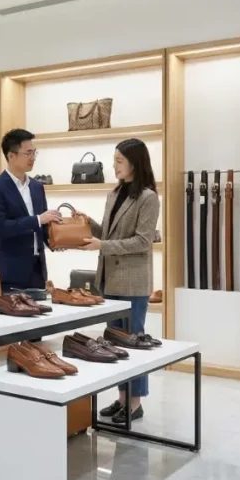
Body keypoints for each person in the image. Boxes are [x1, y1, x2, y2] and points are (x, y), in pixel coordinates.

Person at [77, 138, 160, 423]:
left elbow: (141, 241)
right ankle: (122, 398)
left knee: (133, 343)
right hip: (110, 281)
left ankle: (135, 403)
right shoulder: (114, 194)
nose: (114, 166)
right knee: (114, 342)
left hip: (133, 283)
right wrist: (88, 223)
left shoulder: (148, 197)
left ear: (135, 163)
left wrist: (101, 245)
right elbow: (109, 235)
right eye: (114, 161)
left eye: (119, 161)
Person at [0, 129, 62, 292]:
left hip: (37, 271)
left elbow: (43, 228)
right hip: (9, 272)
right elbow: (0, 227)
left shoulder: (37, 186)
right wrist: (38, 219)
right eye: (28, 153)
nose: (33, 158)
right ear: (11, 156)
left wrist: (57, 240)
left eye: (34, 153)